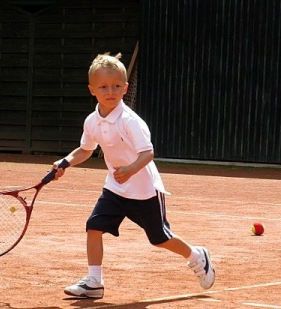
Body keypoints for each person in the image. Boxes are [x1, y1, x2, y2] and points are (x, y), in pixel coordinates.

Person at [51, 52, 215, 299]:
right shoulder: (92, 121)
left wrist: (129, 170)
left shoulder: (130, 121)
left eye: (117, 86)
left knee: (159, 238)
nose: (111, 91)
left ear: (125, 88)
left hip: (144, 189)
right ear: (91, 90)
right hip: (115, 189)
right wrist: (65, 162)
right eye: (103, 87)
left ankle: (196, 255)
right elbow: (85, 150)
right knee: (94, 226)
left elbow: (147, 153)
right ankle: (94, 281)